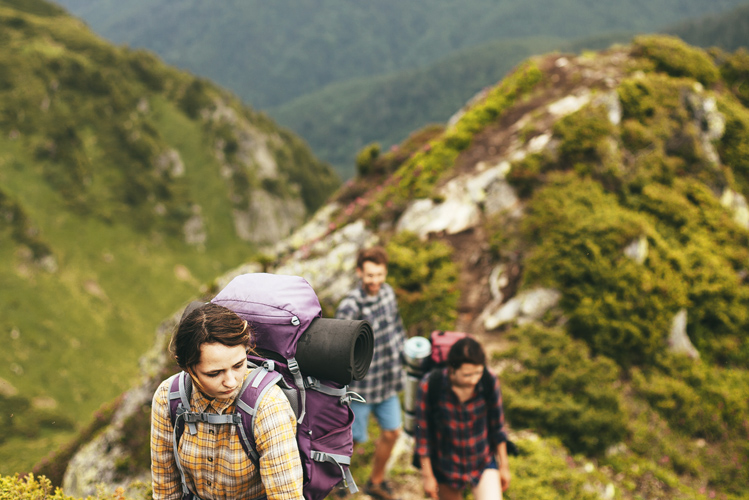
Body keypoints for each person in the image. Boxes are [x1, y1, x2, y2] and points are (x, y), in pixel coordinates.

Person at [150, 302, 304, 500]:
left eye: (239, 365)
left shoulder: (268, 406)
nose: (231, 382)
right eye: (214, 373)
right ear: (187, 367)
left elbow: (286, 496)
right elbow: (166, 491)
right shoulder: (167, 398)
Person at [335, 246, 406, 500]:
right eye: (370, 276)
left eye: (379, 274)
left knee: (393, 432)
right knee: (348, 441)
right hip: (360, 389)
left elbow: (397, 327)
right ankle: (339, 481)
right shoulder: (350, 305)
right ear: (359, 273)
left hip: (387, 383)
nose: (375, 281)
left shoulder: (387, 294)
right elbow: (339, 348)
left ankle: (375, 481)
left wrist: (404, 353)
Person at [415, 337, 511, 500]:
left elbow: (498, 428)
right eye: (467, 375)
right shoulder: (431, 385)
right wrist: (428, 476)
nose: (474, 379)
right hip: (445, 466)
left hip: (482, 461)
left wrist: (504, 466)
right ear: (452, 370)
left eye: (478, 373)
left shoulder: (489, 381)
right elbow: (423, 437)